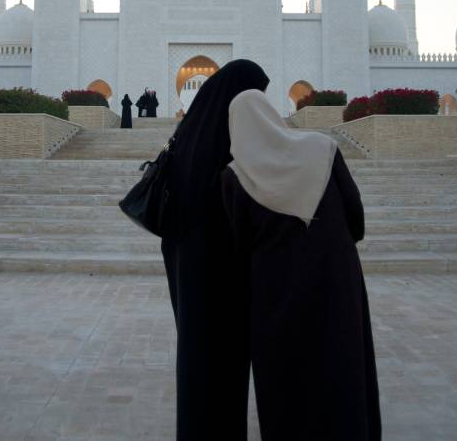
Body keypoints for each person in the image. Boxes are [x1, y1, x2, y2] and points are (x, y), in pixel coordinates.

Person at [221, 89, 381, 440]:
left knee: (287, 377)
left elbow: (241, 243)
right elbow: (356, 214)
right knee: (341, 362)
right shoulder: (322, 148)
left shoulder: (236, 175)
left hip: (275, 292)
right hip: (336, 280)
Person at [161, 59, 269, 441]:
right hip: (223, 275)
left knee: (196, 359)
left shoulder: (190, 133)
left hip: (187, 268)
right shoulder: (234, 141)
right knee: (225, 364)